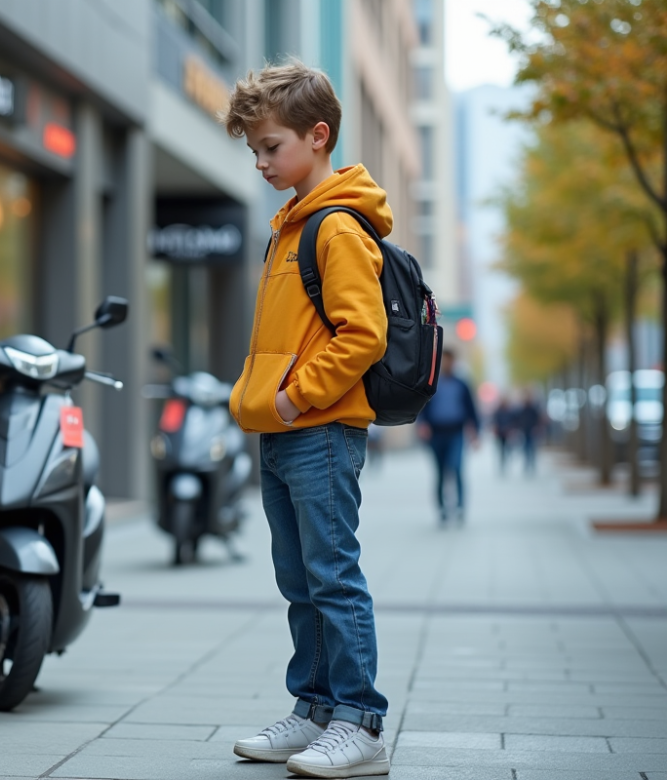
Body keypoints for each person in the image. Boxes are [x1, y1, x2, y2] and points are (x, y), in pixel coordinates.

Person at [219, 59, 391, 778]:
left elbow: (364, 333)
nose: (260, 162)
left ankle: (359, 721)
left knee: (332, 575)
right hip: (282, 432)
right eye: (253, 149)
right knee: (299, 580)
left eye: (271, 146)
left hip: (317, 431)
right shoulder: (288, 226)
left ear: (318, 137)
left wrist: (296, 396)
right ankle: (314, 708)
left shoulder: (334, 226)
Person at [416, 350, 480, 523]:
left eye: (449, 361)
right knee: (440, 472)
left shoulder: (462, 384)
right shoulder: (431, 383)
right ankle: (442, 508)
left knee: (456, 468)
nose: (446, 364)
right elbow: (421, 407)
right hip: (436, 434)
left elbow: (472, 410)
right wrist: (422, 424)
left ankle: (459, 506)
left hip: (456, 433)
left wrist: (476, 433)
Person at [513, 389, 543, 475]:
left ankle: (532, 464)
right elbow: (518, 420)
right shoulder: (521, 409)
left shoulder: (533, 409)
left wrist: (537, 428)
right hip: (524, 431)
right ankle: (527, 464)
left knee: (532, 448)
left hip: (532, 431)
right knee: (526, 449)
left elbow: (538, 419)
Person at [491, 395, 516, 475]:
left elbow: (513, 422)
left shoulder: (510, 411)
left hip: (508, 433)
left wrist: (511, 429)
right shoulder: (498, 411)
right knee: (501, 450)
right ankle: (502, 464)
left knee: (508, 449)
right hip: (500, 433)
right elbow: (495, 422)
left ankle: (507, 461)